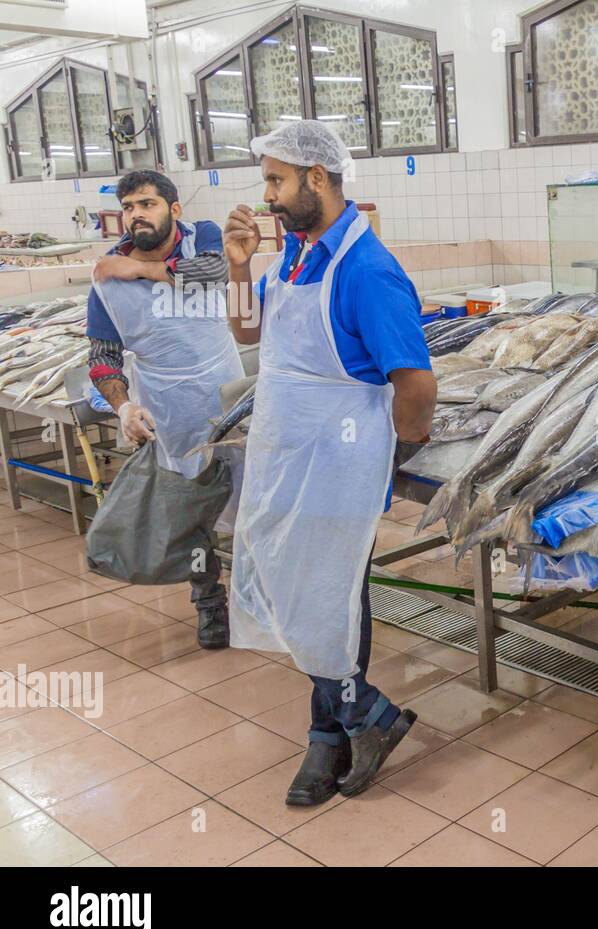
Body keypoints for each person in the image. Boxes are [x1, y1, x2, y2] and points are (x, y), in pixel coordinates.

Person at [223, 120, 438, 806]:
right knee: (293, 591)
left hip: (337, 464)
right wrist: (236, 266)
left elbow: (417, 384)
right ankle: (363, 717)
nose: (269, 197)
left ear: (318, 179)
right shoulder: (296, 254)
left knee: (328, 595)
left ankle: (333, 736)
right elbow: (248, 332)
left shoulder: (368, 270)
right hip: (285, 458)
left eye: (277, 181)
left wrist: (390, 460)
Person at [89, 170, 244, 650]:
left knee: (258, 499)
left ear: (174, 210)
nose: (137, 214)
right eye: (130, 206)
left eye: (148, 204)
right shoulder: (106, 284)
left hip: (232, 397)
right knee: (188, 517)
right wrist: (124, 407)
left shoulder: (204, 238)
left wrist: (139, 269)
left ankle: (266, 594)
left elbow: (216, 273)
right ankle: (208, 601)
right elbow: (101, 359)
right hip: (168, 411)